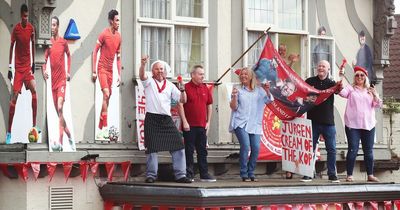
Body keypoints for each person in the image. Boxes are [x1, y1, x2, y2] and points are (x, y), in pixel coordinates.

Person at [139, 55, 192, 184]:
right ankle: (151, 175)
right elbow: (142, 76)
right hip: (152, 117)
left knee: (178, 145)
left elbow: (182, 100)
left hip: (166, 119)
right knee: (152, 147)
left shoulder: (170, 85)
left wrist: (182, 89)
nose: (160, 71)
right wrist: (143, 65)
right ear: (152, 72)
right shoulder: (149, 82)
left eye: (161, 69)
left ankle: (180, 175)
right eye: (157, 69)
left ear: (165, 71)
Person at [229, 67, 273, 182]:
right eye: (242, 74)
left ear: (251, 77)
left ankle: (251, 172)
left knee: (256, 148)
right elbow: (234, 107)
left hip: (254, 123)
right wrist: (234, 96)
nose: (243, 76)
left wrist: (267, 90)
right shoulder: (237, 89)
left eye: (245, 74)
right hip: (240, 122)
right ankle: (244, 173)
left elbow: (269, 100)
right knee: (245, 145)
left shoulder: (259, 90)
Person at [339, 66, 382, 182]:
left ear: (365, 77)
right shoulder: (350, 88)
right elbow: (341, 93)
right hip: (353, 125)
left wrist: (375, 95)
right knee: (353, 149)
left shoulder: (370, 90)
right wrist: (341, 77)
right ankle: (349, 175)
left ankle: (370, 175)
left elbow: (378, 105)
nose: (359, 77)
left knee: (368, 150)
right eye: (357, 75)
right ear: (354, 77)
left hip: (368, 124)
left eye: (362, 75)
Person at [302, 60, 341, 183]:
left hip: (328, 121)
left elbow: (340, 91)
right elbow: (303, 95)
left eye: (323, 66)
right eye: (319, 66)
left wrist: (341, 85)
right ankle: (307, 174)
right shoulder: (309, 81)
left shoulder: (332, 83)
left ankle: (332, 174)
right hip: (312, 120)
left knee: (331, 149)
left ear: (328, 69)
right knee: (309, 148)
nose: (321, 68)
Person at [178, 65, 215, 182]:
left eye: (203, 74)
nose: (202, 76)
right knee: (189, 150)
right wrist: (184, 121)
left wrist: (208, 122)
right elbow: (180, 105)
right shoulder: (186, 88)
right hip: (189, 125)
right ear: (193, 75)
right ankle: (189, 173)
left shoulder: (205, 88)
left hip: (202, 125)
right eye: (200, 74)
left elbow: (209, 105)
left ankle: (204, 173)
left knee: (202, 150)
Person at [6, 4, 37, 144]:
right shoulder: (16, 30)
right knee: (13, 99)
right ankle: (9, 132)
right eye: (24, 16)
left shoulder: (31, 28)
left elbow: (33, 44)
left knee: (34, 91)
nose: (25, 18)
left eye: (27, 16)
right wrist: (10, 67)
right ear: (20, 15)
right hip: (18, 70)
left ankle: (34, 127)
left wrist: (34, 62)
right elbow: (11, 47)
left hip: (27, 68)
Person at [42, 16, 74, 151]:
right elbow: (44, 59)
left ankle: (60, 143)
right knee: (59, 114)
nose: (52, 28)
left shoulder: (63, 42)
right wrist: (44, 70)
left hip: (61, 81)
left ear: (58, 26)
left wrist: (68, 71)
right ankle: (69, 136)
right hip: (53, 83)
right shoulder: (48, 44)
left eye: (54, 25)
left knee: (60, 107)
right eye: (51, 25)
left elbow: (69, 55)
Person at [92, 9, 121, 139]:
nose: (118, 23)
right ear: (111, 21)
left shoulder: (119, 36)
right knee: (106, 94)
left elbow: (118, 57)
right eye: (116, 20)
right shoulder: (104, 33)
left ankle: (99, 127)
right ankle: (105, 127)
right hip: (102, 68)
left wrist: (119, 74)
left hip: (111, 71)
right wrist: (94, 70)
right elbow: (95, 51)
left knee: (107, 99)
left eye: (119, 20)